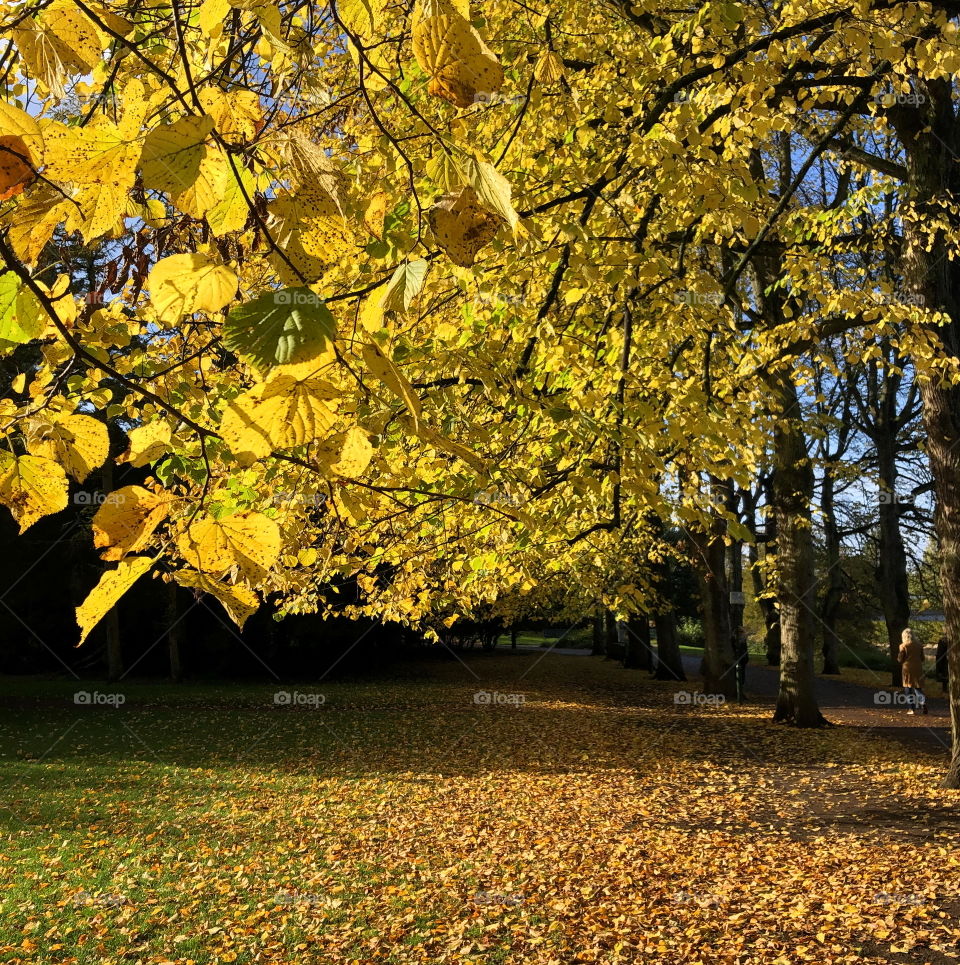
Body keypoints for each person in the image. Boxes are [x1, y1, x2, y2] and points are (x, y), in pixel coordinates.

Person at [898, 627, 927, 715]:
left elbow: (900, 659)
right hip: (918, 668)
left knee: (908, 688)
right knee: (918, 687)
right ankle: (923, 703)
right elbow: (922, 658)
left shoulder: (903, 646)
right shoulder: (919, 645)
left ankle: (912, 709)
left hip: (908, 669)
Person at [732, 626, 749, 703]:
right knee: (738, 676)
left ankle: (740, 693)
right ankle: (739, 695)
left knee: (742, 677)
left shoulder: (743, 641)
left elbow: (745, 652)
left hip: (742, 660)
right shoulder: (734, 640)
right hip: (737, 660)